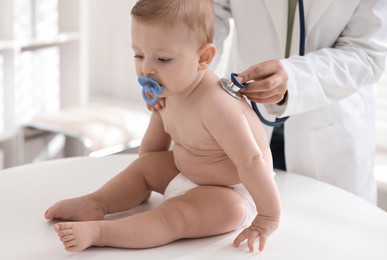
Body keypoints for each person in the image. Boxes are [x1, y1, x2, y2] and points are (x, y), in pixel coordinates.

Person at [44, 0, 281, 253]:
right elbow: (152, 152)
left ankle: (102, 232)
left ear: (203, 57)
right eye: (139, 55)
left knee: (176, 215)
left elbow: (252, 162)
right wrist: (142, 179)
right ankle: (96, 202)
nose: (147, 68)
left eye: (163, 58)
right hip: (187, 172)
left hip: (232, 191)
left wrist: (268, 218)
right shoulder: (171, 89)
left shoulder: (217, 104)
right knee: (144, 166)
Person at [213, 0, 387, 203]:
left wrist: (296, 78)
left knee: (321, 226)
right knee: (242, 220)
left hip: (327, 130)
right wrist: (187, 72)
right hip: (248, 120)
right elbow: (205, 15)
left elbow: (367, 53)